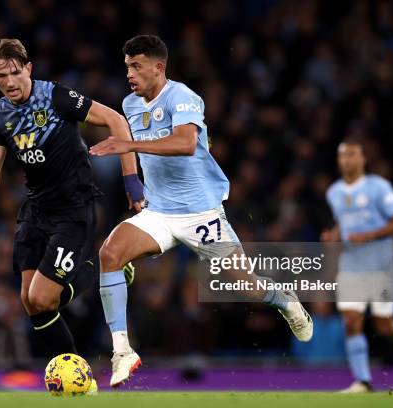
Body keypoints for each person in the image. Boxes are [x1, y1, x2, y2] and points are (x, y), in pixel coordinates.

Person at [90, 35, 313, 387]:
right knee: (110, 253)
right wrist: (133, 183)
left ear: (158, 67)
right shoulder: (130, 104)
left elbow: (185, 143)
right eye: (127, 66)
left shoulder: (184, 97)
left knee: (247, 288)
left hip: (201, 215)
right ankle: (122, 351)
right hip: (159, 212)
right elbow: (130, 148)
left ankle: (284, 301)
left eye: (137, 66)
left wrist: (129, 143)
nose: (130, 73)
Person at [0, 39, 142, 367]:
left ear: (28, 68)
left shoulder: (56, 97)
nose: (10, 82)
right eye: (1, 76)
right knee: (30, 302)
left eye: (15, 73)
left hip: (73, 210)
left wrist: (132, 182)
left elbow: (117, 120)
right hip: (36, 212)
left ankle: (103, 269)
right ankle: (76, 375)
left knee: (42, 297)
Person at [321, 137, 393, 392]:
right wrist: (333, 236)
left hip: (381, 267)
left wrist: (367, 236)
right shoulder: (334, 192)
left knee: (384, 325)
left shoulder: (379, 187)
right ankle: (363, 381)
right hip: (351, 267)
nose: (347, 160)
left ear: (363, 159)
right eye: (343, 155)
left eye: (352, 155)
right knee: (352, 320)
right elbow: (344, 224)